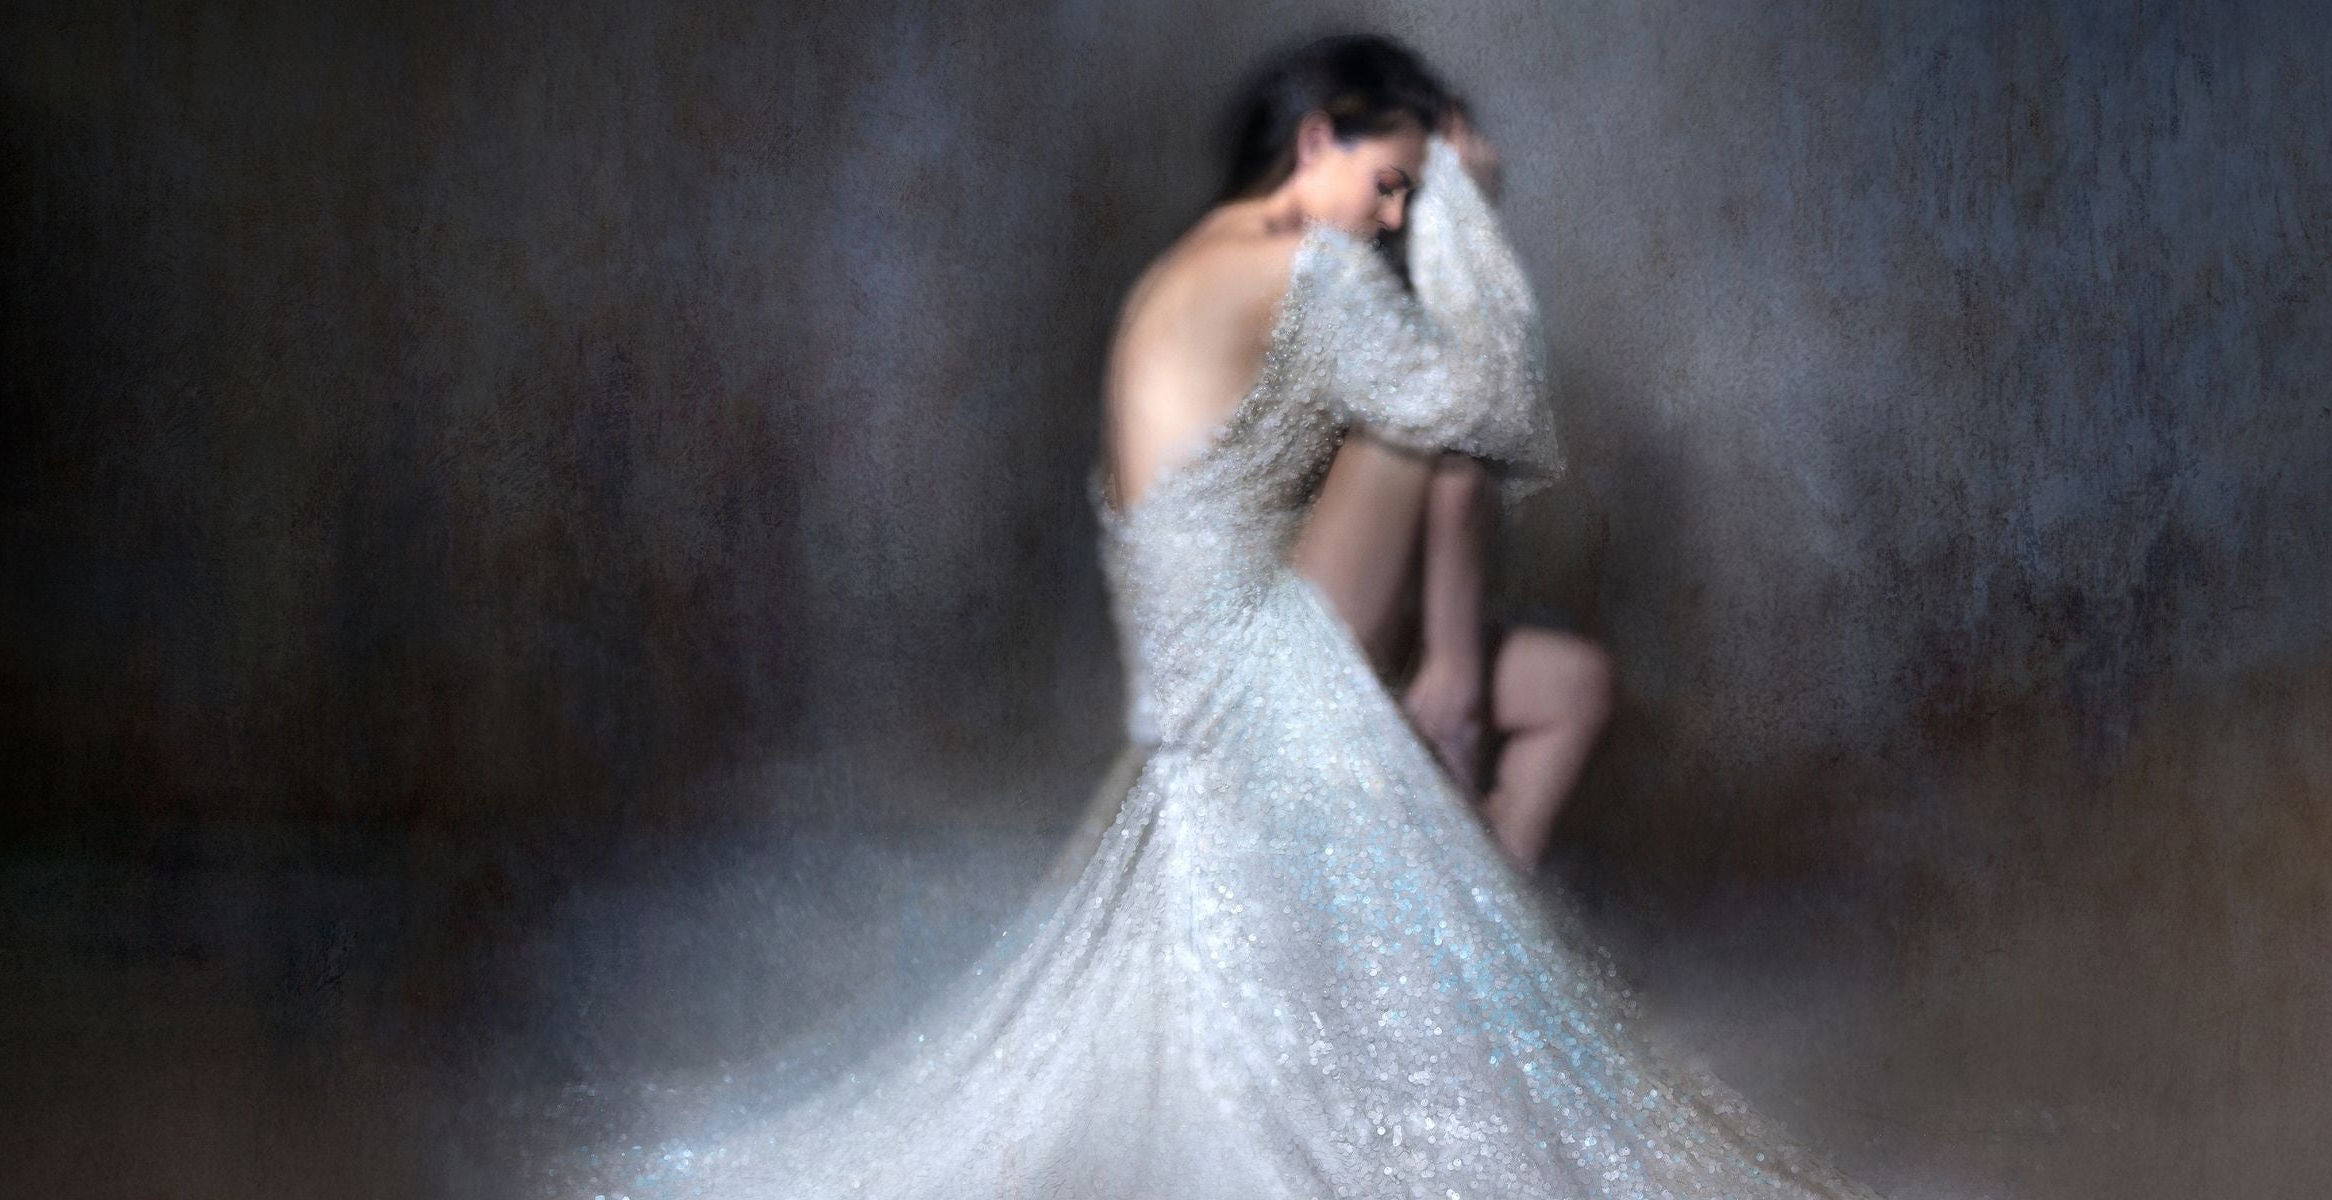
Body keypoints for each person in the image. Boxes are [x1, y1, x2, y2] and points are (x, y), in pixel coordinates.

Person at [557, 32, 1883, 1200]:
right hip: (1258, 671)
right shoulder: (1301, 273)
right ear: (1315, 143)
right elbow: (1484, 402)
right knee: (1442, 430)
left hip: (1210, 674)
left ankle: (1478, 888)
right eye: (1389, 184)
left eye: (1414, 196)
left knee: (1576, 680)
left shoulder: (1199, 268)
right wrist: (1478, 205)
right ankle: (1463, 763)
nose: (1394, 217)